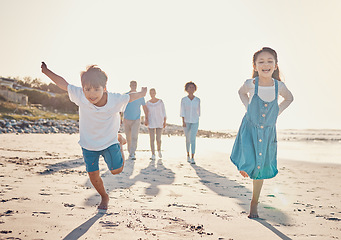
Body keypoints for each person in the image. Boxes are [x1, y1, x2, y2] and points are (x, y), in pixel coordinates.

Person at [41, 62, 147, 210]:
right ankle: (104, 196)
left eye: (96, 89)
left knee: (117, 170)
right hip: (88, 144)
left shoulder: (115, 99)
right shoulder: (80, 95)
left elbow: (129, 97)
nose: (91, 94)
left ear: (104, 88)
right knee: (93, 176)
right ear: (83, 88)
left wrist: (142, 94)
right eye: (87, 89)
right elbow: (63, 83)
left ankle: (118, 139)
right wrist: (46, 71)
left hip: (109, 141)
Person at [230, 47, 294, 218]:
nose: (266, 64)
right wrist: (247, 106)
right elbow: (241, 93)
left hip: (267, 133)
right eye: (261, 61)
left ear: (275, 65)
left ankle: (254, 203)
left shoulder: (279, 86)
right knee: (251, 161)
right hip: (250, 128)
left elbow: (290, 98)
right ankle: (246, 166)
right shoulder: (251, 83)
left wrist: (277, 112)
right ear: (255, 65)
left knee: (261, 167)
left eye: (269, 61)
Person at [123, 81, 148, 160]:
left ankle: (132, 153)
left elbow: (144, 107)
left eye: (135, 85)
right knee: (128, 137)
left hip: (136, 119)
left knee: (134, 136)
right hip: (126, 119)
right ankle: (130, 151)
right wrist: (119, 118)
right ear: (130, 85)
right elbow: (121, 107)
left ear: (136, 86)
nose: (133, 86)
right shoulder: (126, 95)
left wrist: (146, 118)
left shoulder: (140, 96)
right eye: (132, 85)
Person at [180, 82, 201, 164]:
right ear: (187, 89)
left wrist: (197, 119)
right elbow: (182, 111)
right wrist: (183, 121)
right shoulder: (184, 100)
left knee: (193, 139)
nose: (191, 89)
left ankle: (193, 157)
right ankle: (188, 155)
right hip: (186, 121)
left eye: (193, 87)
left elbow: (199, 112)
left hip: (195, 121)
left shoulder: (197, 100)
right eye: (190, 87)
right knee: (187, 139)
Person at [145, 88, 166, 160]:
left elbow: (164, 112)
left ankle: (159, 150)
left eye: (153, 93)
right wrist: (146, 120)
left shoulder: (160, 102)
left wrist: (164, 121)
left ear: (155, 93)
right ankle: (153, 154)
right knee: (152, 139)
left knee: (158, 139)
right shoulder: (148, 103)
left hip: (159, 121)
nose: (152, 94)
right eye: (151, 93)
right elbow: (146, 113)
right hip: (151, 122)